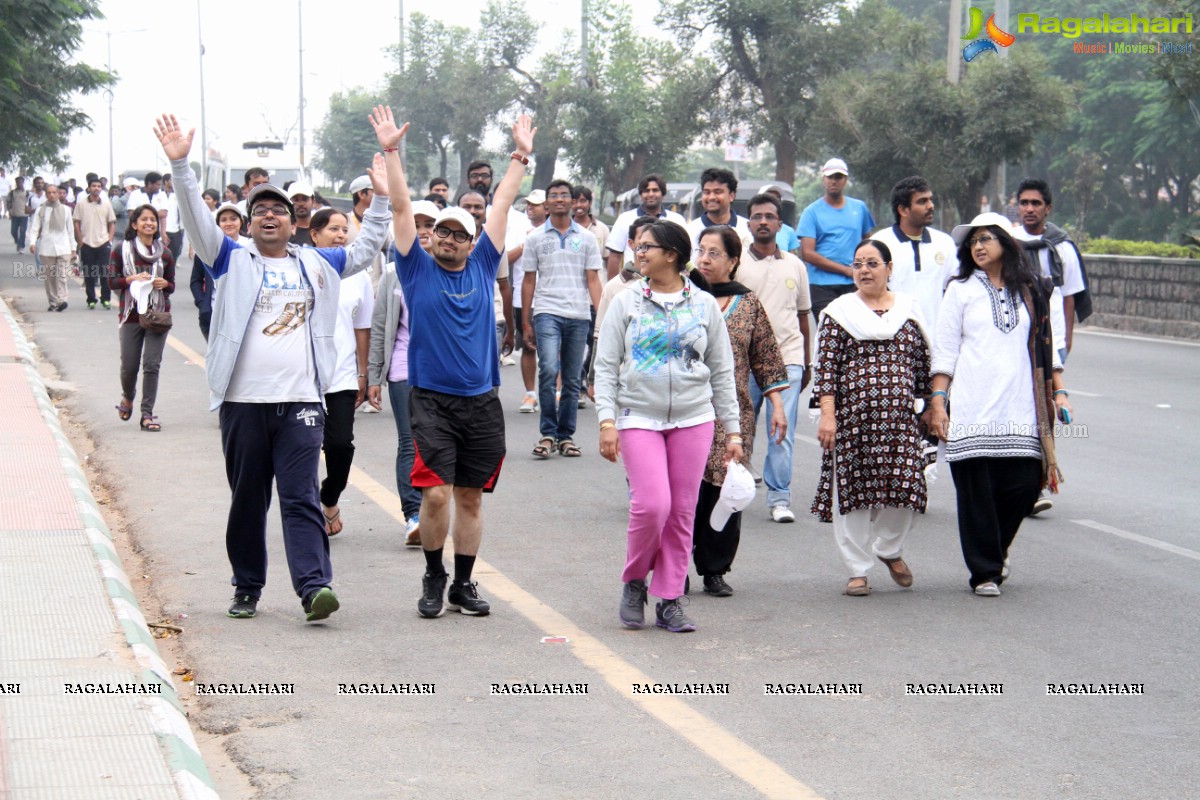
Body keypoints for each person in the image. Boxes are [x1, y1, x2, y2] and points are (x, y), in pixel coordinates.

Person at [154, 112, 392, 622]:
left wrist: (384, 196)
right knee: (247, 500)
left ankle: (314, 588)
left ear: (294, 222)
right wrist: (180, 164)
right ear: (249, 220)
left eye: (278, 212)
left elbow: (368, 247)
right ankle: (247, 587)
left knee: (301, 497)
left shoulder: (316, 262)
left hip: (303, 402)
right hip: (243, 404)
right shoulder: (230, 259)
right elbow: (196, 217)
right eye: (259, 210)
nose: (269, 217)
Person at [374, 104, 533, 620]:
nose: (445, 237)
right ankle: (433, 575)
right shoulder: (415, 268)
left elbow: (503, 203)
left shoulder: (485, 265)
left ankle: (464, 584)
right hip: (432, 402)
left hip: (482, 401)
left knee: (470, 497)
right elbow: (401, 208)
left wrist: (520, 157)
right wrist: (391, 152)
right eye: (439, 230)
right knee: (437, 494)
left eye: (456, 233)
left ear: (472, 242)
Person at [594, 220, 742, 633]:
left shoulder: (703, 304)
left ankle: (670, 599)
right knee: (651, 506)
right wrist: (607, 421)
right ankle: (634, 581)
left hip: (694, 419)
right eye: (638, 247)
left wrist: (732, 432)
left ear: (672, 255)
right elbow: (604, 366)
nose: (639, 254)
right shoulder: (627, 302)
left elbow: (722, 371)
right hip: (638, 416)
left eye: (647, 248)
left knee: (681, 512)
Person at [926, 212, 1072, 597]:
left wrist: (1060, 391)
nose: (978, 246)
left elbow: (1048, 346)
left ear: (1007, 244)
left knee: (1024, 486)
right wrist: (939, 401)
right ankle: (985, 572)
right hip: (972, 405)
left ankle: (996, 550)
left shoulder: (1034, 290)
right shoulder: (960, 289)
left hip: (1021, 407)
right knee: (976, 493)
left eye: (987, 238)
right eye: (973, 240)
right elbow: (944, 350)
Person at [813, 239, 931, 597]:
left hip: (900, 422)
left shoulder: (909, 311)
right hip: (852, 422)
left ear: (889, 268)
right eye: (858, 264)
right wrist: (828, 417)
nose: (864, 270)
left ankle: (889, 550)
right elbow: (826, 372)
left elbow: (924, 367)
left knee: (906, 488)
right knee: (854, 495)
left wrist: (932, 409)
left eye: (872, 263)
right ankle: (858, 569)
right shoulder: (839, 313)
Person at [691, 226, 788, 596]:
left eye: (715, 253)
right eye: (701, 251)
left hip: (733, 416)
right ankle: (674, 567)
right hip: (685, 411)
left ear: (733, 261)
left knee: (726, 491)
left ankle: (714, 569)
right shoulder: (683, 297)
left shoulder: (747, 304)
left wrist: (777, 405)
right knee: (686, 493)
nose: (705, 259)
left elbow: (766, 359)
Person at [1012, 178, 1092, 516]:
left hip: (1050, 338)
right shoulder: (1008, 243)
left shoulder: (1062, 248)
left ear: (1048, 208)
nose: (1030, 209)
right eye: (1024, 202)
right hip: (1016, 336)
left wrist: (1064, 342)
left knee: (1044, 409)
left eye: (1036, 203)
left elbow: (1070, 296)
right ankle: (1016, 481)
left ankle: (1037, 480)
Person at [367, 200, 442, 548]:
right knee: (408, 442)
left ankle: (432, 509)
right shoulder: (395, 273)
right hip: (402, 370)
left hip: (444, 373)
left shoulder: (452, 269)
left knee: (438, 444)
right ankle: (413, 515)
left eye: (431, 225)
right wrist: (373, 377)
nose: (424, 231)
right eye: (417, 224)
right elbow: (381, 325)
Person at [740, 192, 814, 523]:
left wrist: (807, 362)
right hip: (743, 361)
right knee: (740, 430)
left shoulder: (795, 265)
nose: (764, 222)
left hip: (788, 359)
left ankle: (779, 498)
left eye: (770, 216)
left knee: (780, 432)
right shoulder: (736, 262)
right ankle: (734, 491)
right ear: (749, 222)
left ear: (780, 224)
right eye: (757, 216)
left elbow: (803, 317)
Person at [305, 207, 374, 537]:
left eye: (345, 229)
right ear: (314, 234)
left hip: (343, 376)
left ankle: (329, 497)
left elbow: (362, 326)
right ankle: (306, 514)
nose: (341, 235)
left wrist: (364, 373)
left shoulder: (357, 274)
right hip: (303, 377)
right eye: (333, 229)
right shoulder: (301, 268)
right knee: (303, 449)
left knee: (340, 446)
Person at [522, 179, 603, 458]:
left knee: (570, 378)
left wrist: (601, 316)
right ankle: (547, 433)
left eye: (564, 195)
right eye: (553, 195)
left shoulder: (587, 238)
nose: (559, 199)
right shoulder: (534, 239)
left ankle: (565, 436)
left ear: (573, 202)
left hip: (579, 314)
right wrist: (525, 320)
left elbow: (593, 279)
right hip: (546, 311)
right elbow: (529, 280)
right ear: (546, 204)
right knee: (548, 369)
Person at [109, 204, 175, 430]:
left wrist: (164, 283)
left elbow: (172, 285)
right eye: (144, 219)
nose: (149, 223)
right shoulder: (121, 250)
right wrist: (131, 279)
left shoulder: (165, 253)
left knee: (151, 365)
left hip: (158, 315)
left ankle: (147, 414)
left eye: (153, 220)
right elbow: (111, 281)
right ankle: (128, 396)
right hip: (131, 315)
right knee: (129, 366)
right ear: (135, 224)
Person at [870, 176, 958, 334]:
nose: (930, 206)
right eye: (922, 201)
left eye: (930, 200)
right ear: (903, 210)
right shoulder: (879, 243)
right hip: (894, 339)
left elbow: (954, 292)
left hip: (935, 339)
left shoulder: (945, 243)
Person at [799, 157, 876, 320]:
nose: (834, 181)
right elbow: (807, 253)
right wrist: (845, 270)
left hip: (855, 282)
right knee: (830, 330)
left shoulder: (859, 208)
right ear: (823, 179)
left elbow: (868, 243)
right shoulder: (811, 212)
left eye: (838, 177)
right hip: (822, 285)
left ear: (845, 180)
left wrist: (863, 269)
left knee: (858, 330)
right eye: (830, 177)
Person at [605, 174, 686, 279]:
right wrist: (614, 287)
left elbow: (685, 256)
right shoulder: (625, 219)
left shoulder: (676, 220)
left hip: (668, 283)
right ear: (641, 194)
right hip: (633, 281)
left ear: (663, 193)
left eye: (655, 190)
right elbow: (615, 257)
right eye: (646, 191)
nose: (651, 194)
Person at [509, 189, 546, 413]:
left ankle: (555, 392)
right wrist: (526, 244)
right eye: (528, 204)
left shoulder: (557, 231)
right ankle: (530, 394)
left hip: (549, 297)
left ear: (547, 208)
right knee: (528, 347)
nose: (530, 207)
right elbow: (506, 259)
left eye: (535, 204)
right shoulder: (517, 229)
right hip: (521, 298)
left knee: (554, 349)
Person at [191, 202, 247, 341]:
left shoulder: (251, 247)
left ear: (241, 222)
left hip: (244, 315)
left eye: (233, 219)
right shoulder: (206, 249)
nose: (229, 223)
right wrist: (202, 303)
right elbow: (195, 281)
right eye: (223, 220)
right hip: (214, 314)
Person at [73, 176, 117, 310]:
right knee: (89, 274)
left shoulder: (106, 203)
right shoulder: (81, 204)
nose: (96, 188)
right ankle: (91, 299)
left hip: (103, 243)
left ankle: (105, 299)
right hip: (87, 243)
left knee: (105, 273)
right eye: (94, 186)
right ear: (89, 188)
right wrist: (80, 241)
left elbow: (112, 223)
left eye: (99, 186)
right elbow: (76, 223)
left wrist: (109, 240)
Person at [29, 184, 74, 312]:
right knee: (49, 277)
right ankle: (53, 302)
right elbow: (34, 228)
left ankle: (62, 300)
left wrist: (73, 248)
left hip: (63, 248)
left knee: (61, 275)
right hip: (46, 248)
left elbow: (70, 231)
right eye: (49, 192)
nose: (52, 195)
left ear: (58, 194)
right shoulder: (40, 210)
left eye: (54, 192)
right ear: (46, 194)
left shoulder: (66, 210)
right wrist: (32, 243)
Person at [685, 167, 751, 250]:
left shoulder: (748, 229)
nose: (711, 197)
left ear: (731, 196)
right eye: (707, 192)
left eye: (718, 192)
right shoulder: (689, 232)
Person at [287, 182, 318, 246]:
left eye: (305, 199)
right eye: (296, 200)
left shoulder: (321, 229)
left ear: (313, 202)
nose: (300, 204)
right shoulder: (284, 231)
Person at [7, 176, 30, 252]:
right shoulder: (12, 192)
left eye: (20, 182)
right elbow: (8, 202)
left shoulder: (27, 193)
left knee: (23, 231)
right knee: (13, 231)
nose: (19, 184)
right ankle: (17, 241)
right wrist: (9, 210)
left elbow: (30, 203)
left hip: (24, 215)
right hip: (15, 215)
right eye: (17, 182)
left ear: (23, 183)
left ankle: (21, 246)